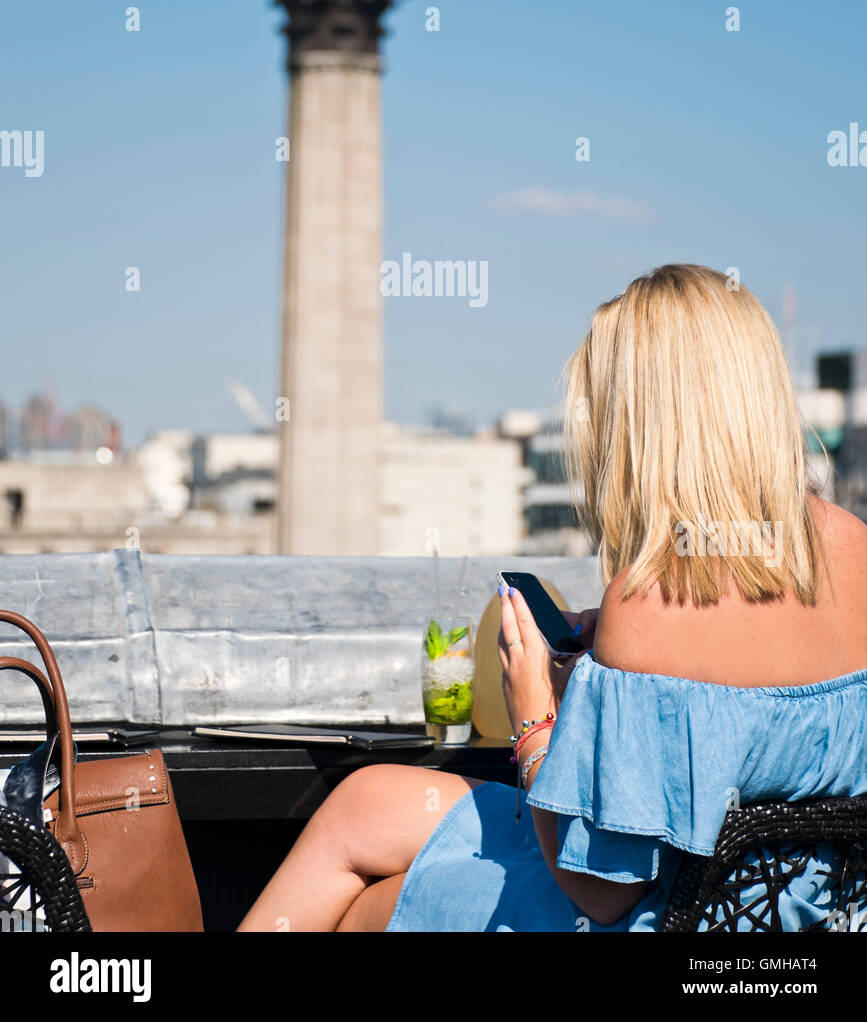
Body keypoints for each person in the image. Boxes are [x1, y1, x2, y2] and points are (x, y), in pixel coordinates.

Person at [238, 264, 867, 932]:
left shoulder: (649, 601)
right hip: (802, 917)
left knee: (373, 909)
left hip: (666, 919)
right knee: (365, 804)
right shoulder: (853, 546)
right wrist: (613, 667)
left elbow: (601, 895)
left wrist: (534, 711)